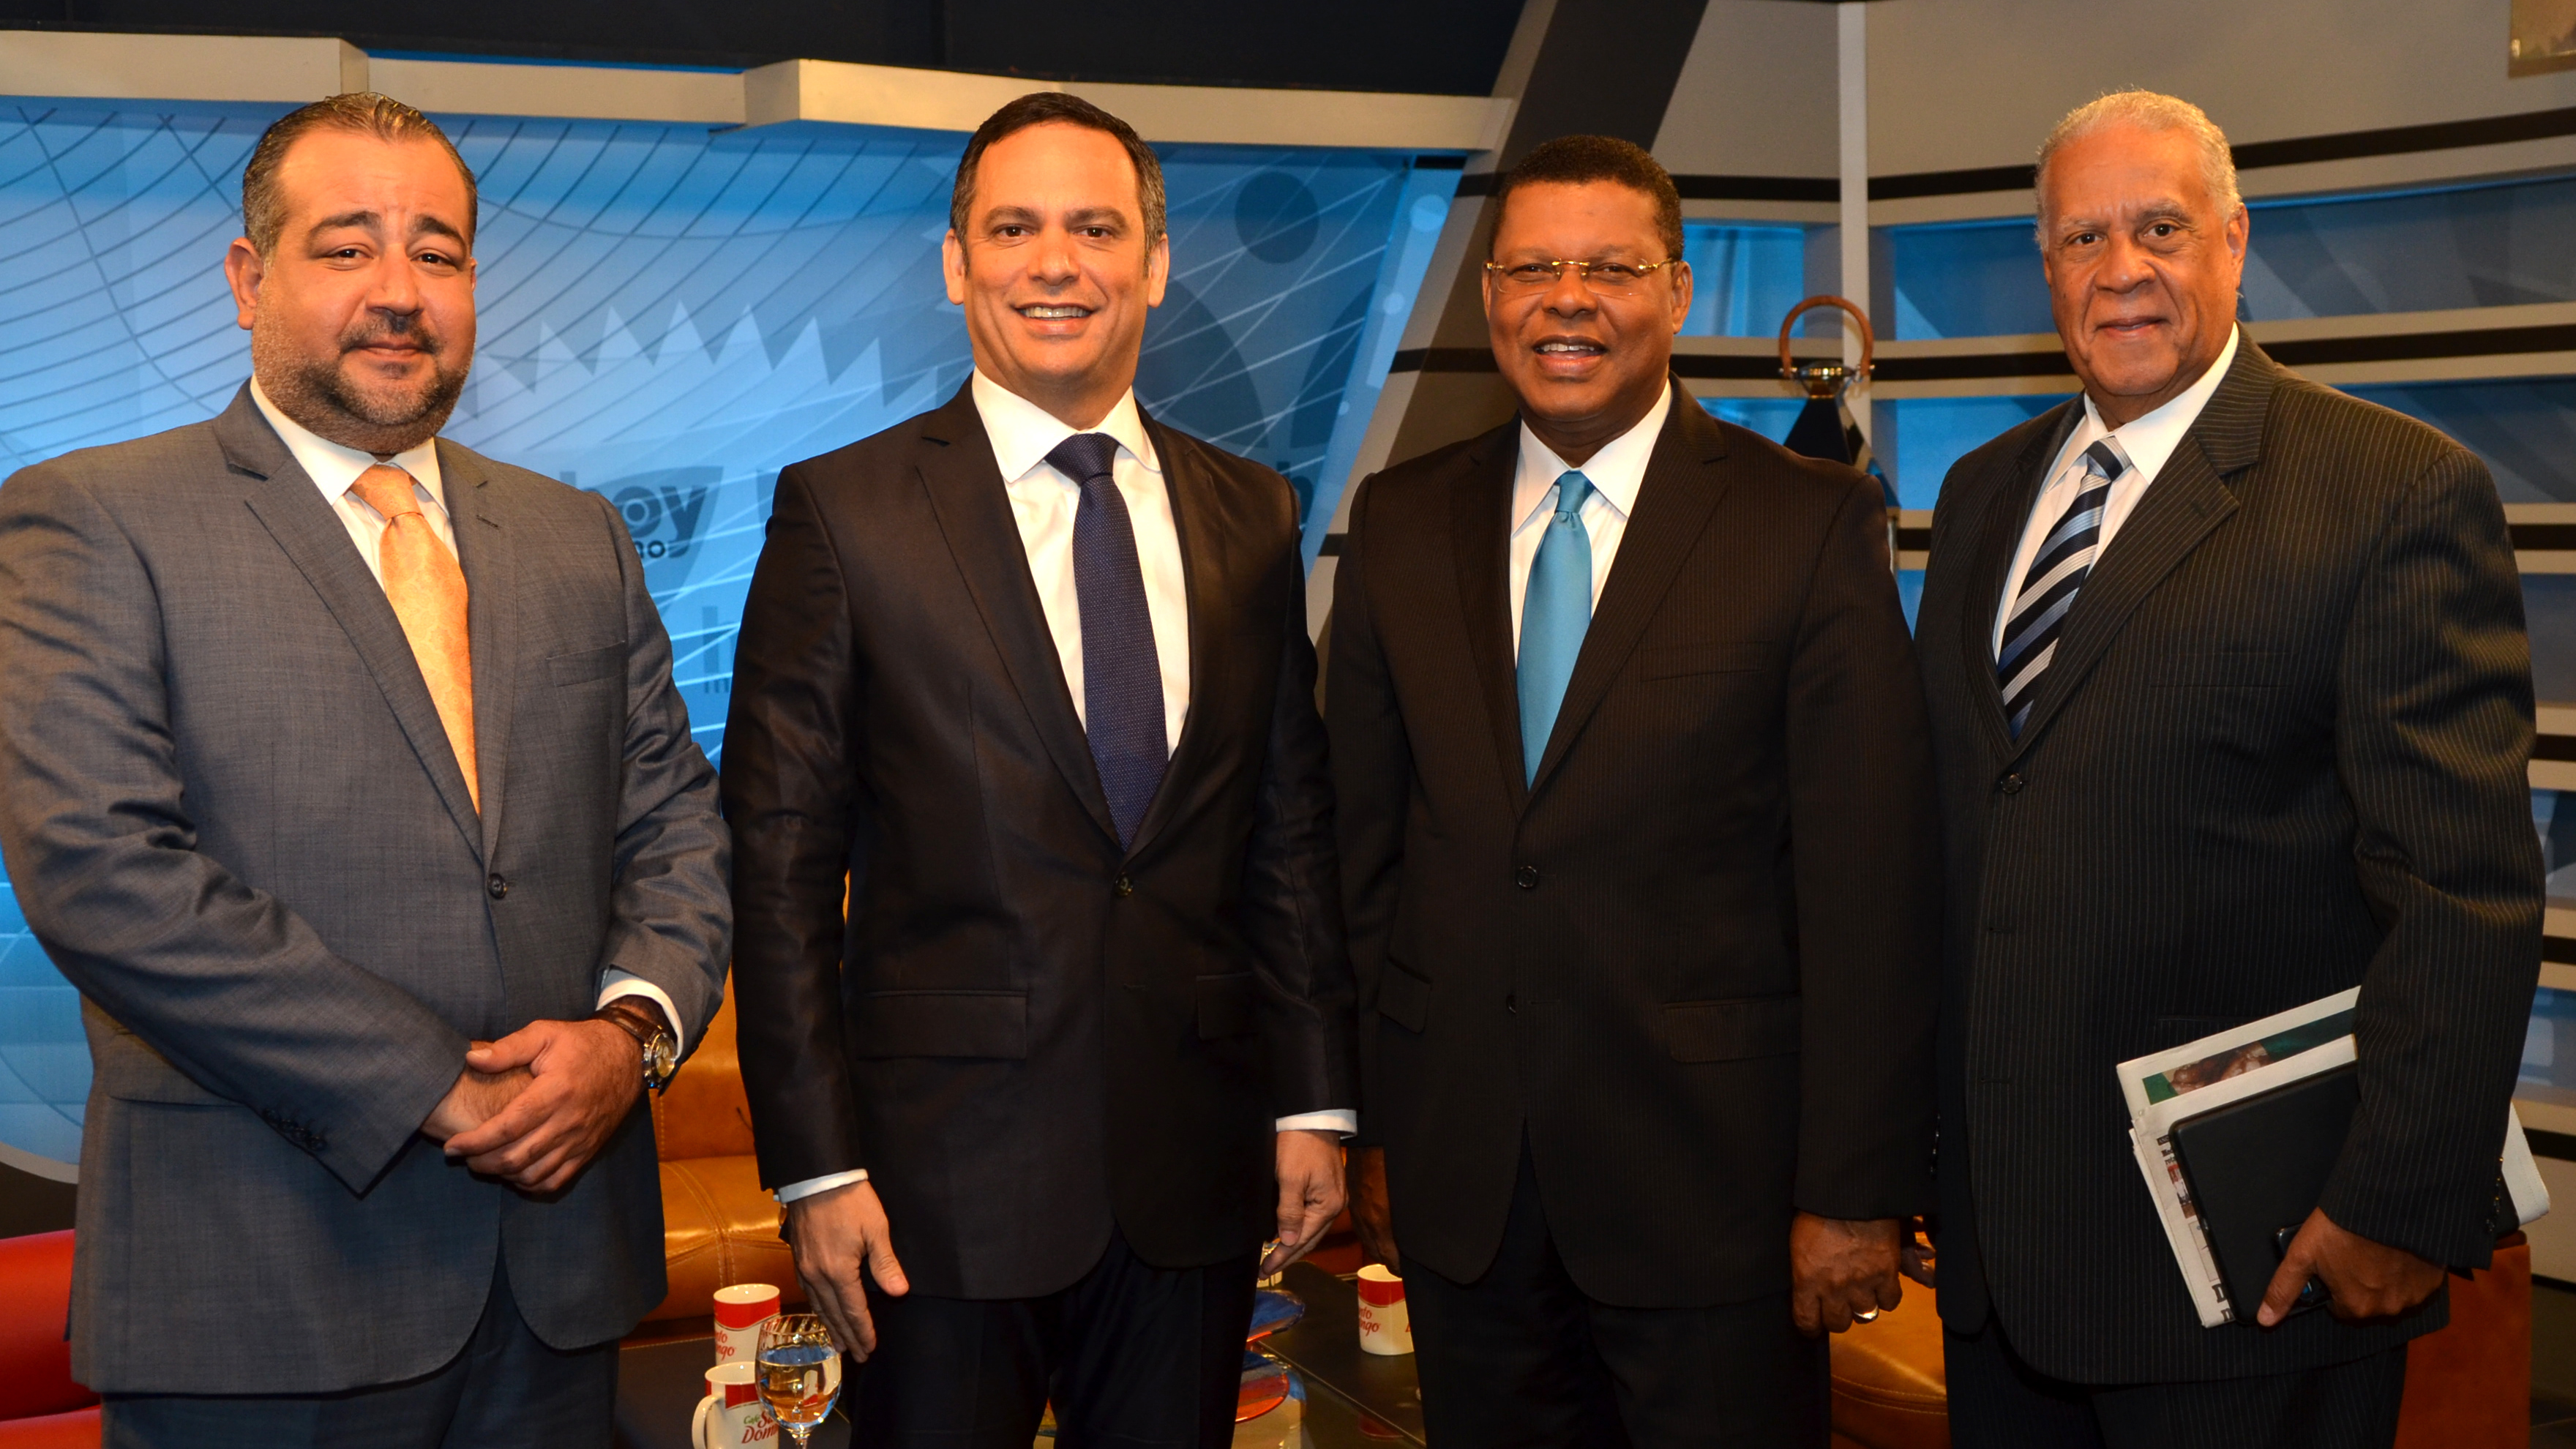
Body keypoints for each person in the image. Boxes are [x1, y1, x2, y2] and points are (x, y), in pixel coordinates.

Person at [0, 94, 731, 1447]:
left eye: (436, 252)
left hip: (560, 1289)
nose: (399, 291)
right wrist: (436, 1083)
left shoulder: (577, 537)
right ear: (247, 280)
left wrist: (630, 1037)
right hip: (261, 1296)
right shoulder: (95, 518)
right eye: (346, 248)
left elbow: (675, 823)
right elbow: (100, 872)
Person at [723, 91, 1354, 1447]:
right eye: (1013, 229)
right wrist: (816, 1166)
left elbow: (1286, 831)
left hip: (1195, 1182)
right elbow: (777, 868)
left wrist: (1314, 1097)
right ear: (957, 264)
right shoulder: (843, 511)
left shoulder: (1253, 513)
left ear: (1156, 263)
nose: (1055, 264)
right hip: (934, 1194)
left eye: (1095, 229)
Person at [1914, 91, 2542, 1448]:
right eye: (2083, 238)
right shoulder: (1979, 494)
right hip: (2002, 1267)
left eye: (2160, 228)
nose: (2121, 270)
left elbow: (2465, 887)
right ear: (2044, 265)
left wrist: (2396, 1197)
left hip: (2255, 1265)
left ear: (2237, 240)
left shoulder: (2391, 488)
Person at [1327, 133, 1942, 1446]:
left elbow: (1869, 884)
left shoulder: (1808, 521)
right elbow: (1362, 863)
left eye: (1610, 268)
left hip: (1716, 1196)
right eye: (1533, 268)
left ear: (1675, 291)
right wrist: (1374, 1129)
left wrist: (1855, 1186)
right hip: (1465, 1193)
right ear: (1489, 293)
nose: (1568, 300)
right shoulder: (1397, 522)